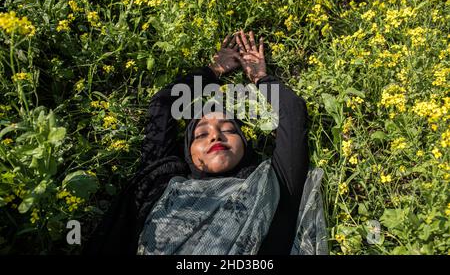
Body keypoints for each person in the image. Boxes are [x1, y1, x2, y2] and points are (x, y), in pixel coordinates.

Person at [83, 30, 327, 255]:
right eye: (201, 134)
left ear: (245, 146)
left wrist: (260, 79)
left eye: (229, 129)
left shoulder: (276, 184)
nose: (215, 136)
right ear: (188, 153)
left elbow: (292, 112)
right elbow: (161, 106)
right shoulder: (159, 184)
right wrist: (213, 71)